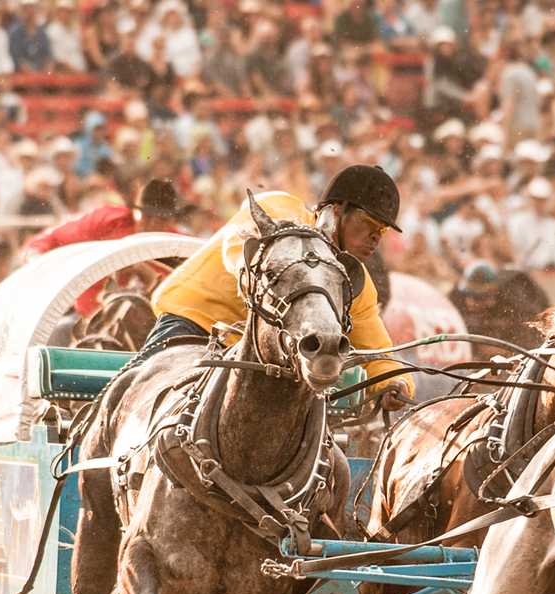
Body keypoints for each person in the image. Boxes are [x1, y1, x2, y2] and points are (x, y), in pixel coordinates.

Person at [148, 165, 414, 410]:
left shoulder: (355, 281)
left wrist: (395, 383)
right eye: (369, 223)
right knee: (143, 407)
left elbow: (378, 353)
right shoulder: (278, 209)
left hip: (257, 364)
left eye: (383, 230)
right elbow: (240, 252)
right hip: (191, 327)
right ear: (336, 211)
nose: (376, 237)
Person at [23, 178, 188, 315]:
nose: (152, 224)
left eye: (161, 219)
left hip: (152, 326)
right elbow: (50, 239)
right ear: (136, 212)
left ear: (171, 221)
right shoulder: (108, 221)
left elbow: (180, 302)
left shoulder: (180, 247)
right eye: (146, 216)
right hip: (90, 320)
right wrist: (37, 259)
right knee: (60, 331)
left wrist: (145, 273)